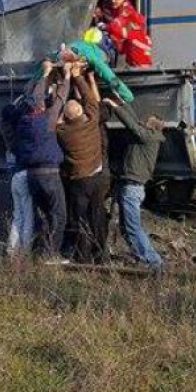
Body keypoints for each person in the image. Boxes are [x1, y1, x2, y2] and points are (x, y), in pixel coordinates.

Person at [8, 60, 71, 261]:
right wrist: (67, 77)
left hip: (32, 176)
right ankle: (51, 255)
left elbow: (34, 99)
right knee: (58, 215)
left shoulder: (22, 124)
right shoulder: (47, 120)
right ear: (42, 106)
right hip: (50, 175)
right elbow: (61, 98)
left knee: (42, 215)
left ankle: (29, 253)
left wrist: (44, 75)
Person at [104, 98, 164, 270]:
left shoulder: (147, 137)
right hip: (130, 186)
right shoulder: (149, 136)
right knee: (126, 227)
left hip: (132, 188)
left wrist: (115, 107)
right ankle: (142, 257)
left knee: (132, 227)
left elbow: (132, 124)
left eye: (145, 122)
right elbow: (135, 121)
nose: (142, 122)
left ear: (151, 126)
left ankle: (153, 261)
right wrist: (123, 102)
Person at [56, 65, 107, 263]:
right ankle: (101, 255)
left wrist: (64, 81)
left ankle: (83, 257)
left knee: (80, 220)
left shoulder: (63, 132)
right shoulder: (92, 121)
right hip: (97, 176)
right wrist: (78, 76)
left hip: (78, 181)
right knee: (98, 217)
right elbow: (90, 99)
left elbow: (57, 120)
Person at [0, 100, 35, 259]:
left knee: (17, 214)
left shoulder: (6, 128)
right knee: (28, 215)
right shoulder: (20, 133)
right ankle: (25, 250)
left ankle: (12, 249)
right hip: (23, 174)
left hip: (13, 175)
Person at [94, 0, 153, 67]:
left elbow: (115, 25)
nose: (113, 1)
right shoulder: (109, 4)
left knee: (141, 70)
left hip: (138, 44)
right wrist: (99, 14)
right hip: (128, 45)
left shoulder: (127, 9)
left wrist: (104, 26)